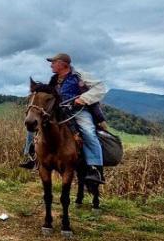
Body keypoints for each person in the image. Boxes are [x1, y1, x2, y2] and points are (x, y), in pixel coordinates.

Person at [21, 53, 107, 184]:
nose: (51, 65)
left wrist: (83, 99)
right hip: (58, 110)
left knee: (88, 131)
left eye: (53, 62)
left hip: (78, 111)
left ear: (63, 64)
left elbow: (100, 87)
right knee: (33, 124)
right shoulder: (54, 79)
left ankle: (95, 169)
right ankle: (33, 158)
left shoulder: (78, 75)